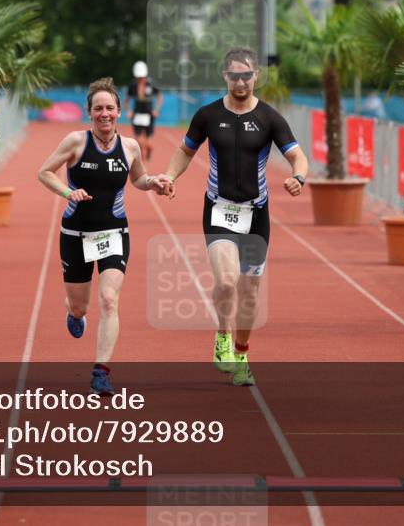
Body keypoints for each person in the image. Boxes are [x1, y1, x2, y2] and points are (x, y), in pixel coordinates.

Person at [164, 48, 309, 386]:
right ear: (225, 76)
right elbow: (185, 151)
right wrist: (170, 177)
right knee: (228, 283)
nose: (241, 81)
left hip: (256, 212)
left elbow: (298, 157)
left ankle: (242, 354)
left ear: (256, 75)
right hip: (218, 209)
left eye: (246, 75)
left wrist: (298, 177)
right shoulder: (208, 115)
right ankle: (222, 337)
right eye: (234, 76)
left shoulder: (270, 118)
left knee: (251, 291)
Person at [38, 78, 172, 395]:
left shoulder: (130, 147)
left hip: (113, 231)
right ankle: (73, 311)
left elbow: (138, 179)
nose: (104, 114)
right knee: (80, 307)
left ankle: (101, 371)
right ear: (90, 112)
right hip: (75, 233)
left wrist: (154, 181)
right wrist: (68, 192)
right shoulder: (74, 141)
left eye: (110, 108)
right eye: (98, 108)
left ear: (119, 111)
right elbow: (44, 172)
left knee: (109, 300)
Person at [126, 61, 163, 161]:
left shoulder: (151, 84)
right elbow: (127, 100)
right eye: (138, 77)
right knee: (139, 140)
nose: (140, 79)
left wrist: (156, 109)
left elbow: (159, 97)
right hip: (137, 114)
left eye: (142, 77)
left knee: (149, 144)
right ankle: (141, 161)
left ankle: (149, 150)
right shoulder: (132, 86)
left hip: (149, 115)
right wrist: (128, 111)